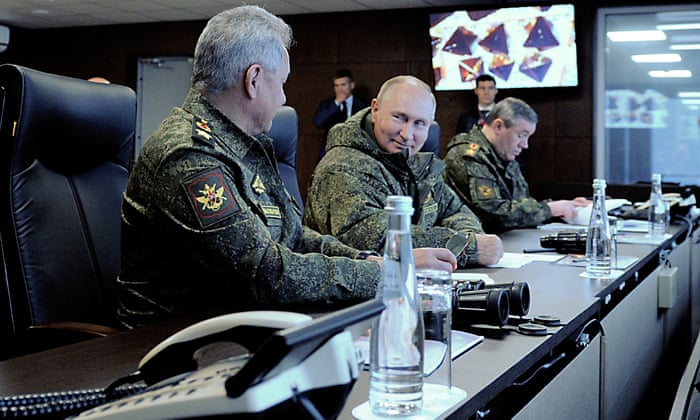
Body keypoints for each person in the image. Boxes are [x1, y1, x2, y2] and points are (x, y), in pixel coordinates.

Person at [116, 6, 456, 329]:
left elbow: (294, 235)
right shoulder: (188, 156)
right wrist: (389, 274)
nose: (283, 98)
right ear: (253, 80)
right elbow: (267, 273)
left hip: (239, 324)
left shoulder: (243, 144)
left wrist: (371, 263)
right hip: (170, 348)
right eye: (282, 84)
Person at [304, 75, 503, 268]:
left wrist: (468, 235)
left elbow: (454, 210)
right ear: (375, 109)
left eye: (419, 123)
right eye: (399, 117)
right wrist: (468, 246)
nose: (407, 135)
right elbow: (374, 240)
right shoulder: (342, 168)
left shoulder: (411, 161)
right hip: (363, 299)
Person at [444, 97, 590, 233]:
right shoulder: (468, 155)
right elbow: (493, 213)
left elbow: (519, 203)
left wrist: (563, 208)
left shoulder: (503, 154)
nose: (525, 145)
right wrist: (549, 210)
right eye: (521, 135)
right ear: (498, 126)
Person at [312, 68, 368, 157]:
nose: (340, 89)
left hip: (355, 152)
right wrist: (336, 103)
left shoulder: (363, 105)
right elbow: (318, 122)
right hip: (331, 152)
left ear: (352, 85)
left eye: (343, 85)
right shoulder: (327, 105)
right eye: (336, 86)